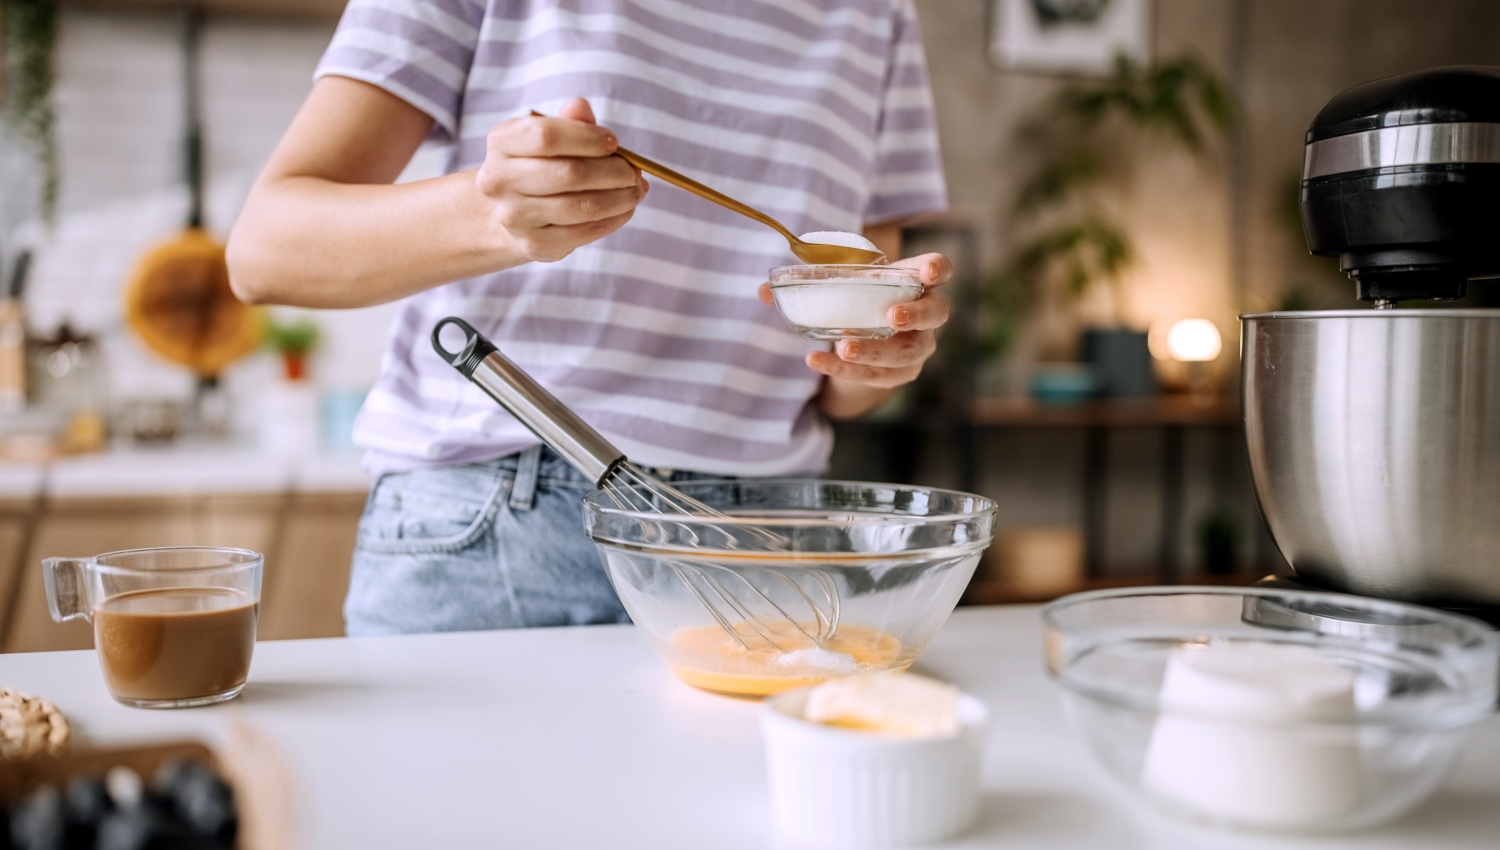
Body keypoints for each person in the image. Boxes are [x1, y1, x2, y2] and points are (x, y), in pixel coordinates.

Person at [227, 0, 954, 635]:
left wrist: (882, 355)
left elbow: (846, 369)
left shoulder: (877, 11)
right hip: (495, 528)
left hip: (764, 540)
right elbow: (265, 250)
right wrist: (494, 216)